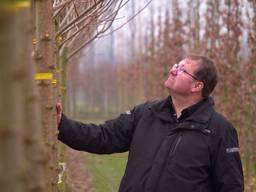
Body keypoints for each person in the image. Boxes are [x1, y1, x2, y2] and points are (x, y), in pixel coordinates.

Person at [56, 55, 244, 192]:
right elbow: (102, 137)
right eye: (175, 65)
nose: (173, 70)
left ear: (197, 86)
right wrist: (61, 124)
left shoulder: (219, 130)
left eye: (182, 70)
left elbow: (231, 186)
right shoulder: (146, 113)